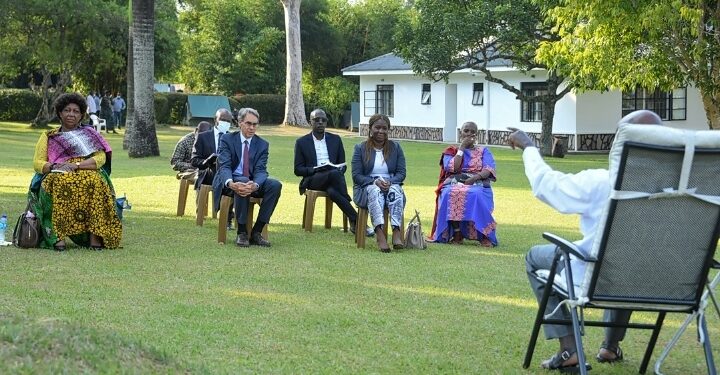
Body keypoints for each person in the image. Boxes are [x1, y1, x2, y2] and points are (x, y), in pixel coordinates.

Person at [509, 110, 663, 371]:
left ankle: (569, 349)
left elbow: (547, 186)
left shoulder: (603, 182)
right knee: (631, 260)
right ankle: (610, 347)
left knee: (535, 258)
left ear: (620, 142)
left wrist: (529, 147)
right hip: (660, 283)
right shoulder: (686, 190)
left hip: (596, 276)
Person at [31, 92, 122, 251]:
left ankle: (95, 237)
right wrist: (54, 167)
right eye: (67, 110)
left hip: (86, 167)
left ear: (81, 115)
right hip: (58, 171)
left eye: (76, 111)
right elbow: (38, 162)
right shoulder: (49, 136)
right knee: (58, 182)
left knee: (95, 181)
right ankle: (57, 237)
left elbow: (101, 157)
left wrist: (78, 165)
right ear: (60, 113)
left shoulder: (90, 134)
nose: (71, 114)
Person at [294, 109, 373, 237]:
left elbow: (342, 164)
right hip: (314, 179)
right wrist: (315, 169)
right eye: (317, 120)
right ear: (310, 122)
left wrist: (340, 169)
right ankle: (356, 215)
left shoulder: (335, 139)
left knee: (333, 191)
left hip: (333, 180)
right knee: (335, 174)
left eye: (323, 120)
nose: (320, 122)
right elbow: (298, 170)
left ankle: (355, 220)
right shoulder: (302, 142)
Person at [216, 108, 282, 247]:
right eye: (248, 123)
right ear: (240, 123)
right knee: (242, 181)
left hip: (251, 182)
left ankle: (256, 232)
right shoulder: (227, 139)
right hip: (231, 183)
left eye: (255, 124)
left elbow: (261, 170)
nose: (252, 128)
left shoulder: (262, 144)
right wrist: (231, 183)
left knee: (275, 185)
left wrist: (255, 185)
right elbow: (225, 166)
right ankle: (242, 232)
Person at [429, 121, 497, 246]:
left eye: (472, 132)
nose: (469, 134)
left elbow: (488, 169)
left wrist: (475, 178)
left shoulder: (484, 151)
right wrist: (462, 148)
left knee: (476, 194)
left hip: (479, 181)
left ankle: (484, 235)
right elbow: (453, 168)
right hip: (456, 180)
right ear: (460, 133)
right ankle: (457, 232)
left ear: (476, 135)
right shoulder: (451, 151)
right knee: (450, 192)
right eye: (466, 131)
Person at [351, 114, 406, 252]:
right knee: (374, 191)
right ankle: (380, 233)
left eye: (384, 128)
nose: (381, 131)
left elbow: (401, 173)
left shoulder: (396, 148)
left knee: (395, 189)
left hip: (390, 184)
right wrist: (374, 182)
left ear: (388, 130)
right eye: (377, 127)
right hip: (366, 188)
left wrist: (390, 181)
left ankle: (396, 232)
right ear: (370, 128)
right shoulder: (360, 148)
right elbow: (357, 176)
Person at [191, 109, 232, 216]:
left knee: (234, 179)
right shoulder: (203, 137)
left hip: (228, 173)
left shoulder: (233, 138)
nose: (225, 123)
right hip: (208, 173)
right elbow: (194, 160)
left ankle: (228, 215)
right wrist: (208, 161)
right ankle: (227, 214)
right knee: (224, 176)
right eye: (223, 120)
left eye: (228, 121)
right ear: (215, 120)